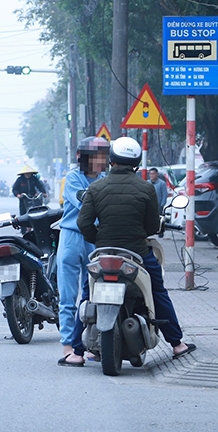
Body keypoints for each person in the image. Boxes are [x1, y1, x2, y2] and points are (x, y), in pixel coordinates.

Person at [77, 136, 196, 360]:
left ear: (111, 160)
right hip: (137, 254)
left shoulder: (95, 188)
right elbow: (152, 226)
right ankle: (177, 344)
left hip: (103, 254)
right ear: (136, 163)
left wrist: (99, 239)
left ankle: (76, 351)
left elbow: (83, 223)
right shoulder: (146, 188)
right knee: (157, 292)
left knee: (87, 295)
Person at [57, 137, 109, 367]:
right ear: (82, 158)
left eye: (103, 156)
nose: (99, 161)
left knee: (97, 295)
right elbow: (83, 203)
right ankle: (68, 346)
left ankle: (95, 344)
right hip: (71, 238)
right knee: (68, 297)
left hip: (96, 239)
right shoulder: (73, 178)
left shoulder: (106, 179)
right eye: (95, 156)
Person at [149, 167, 168, 238]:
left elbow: (164, 194)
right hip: (150, 204)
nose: (152, 175)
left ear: (157, 174)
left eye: (153, 174)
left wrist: (162, 204)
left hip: (159, 204)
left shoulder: (162, 183)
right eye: (150, 174)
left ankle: (160, 232)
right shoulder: (148, 183)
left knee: (160, 219)